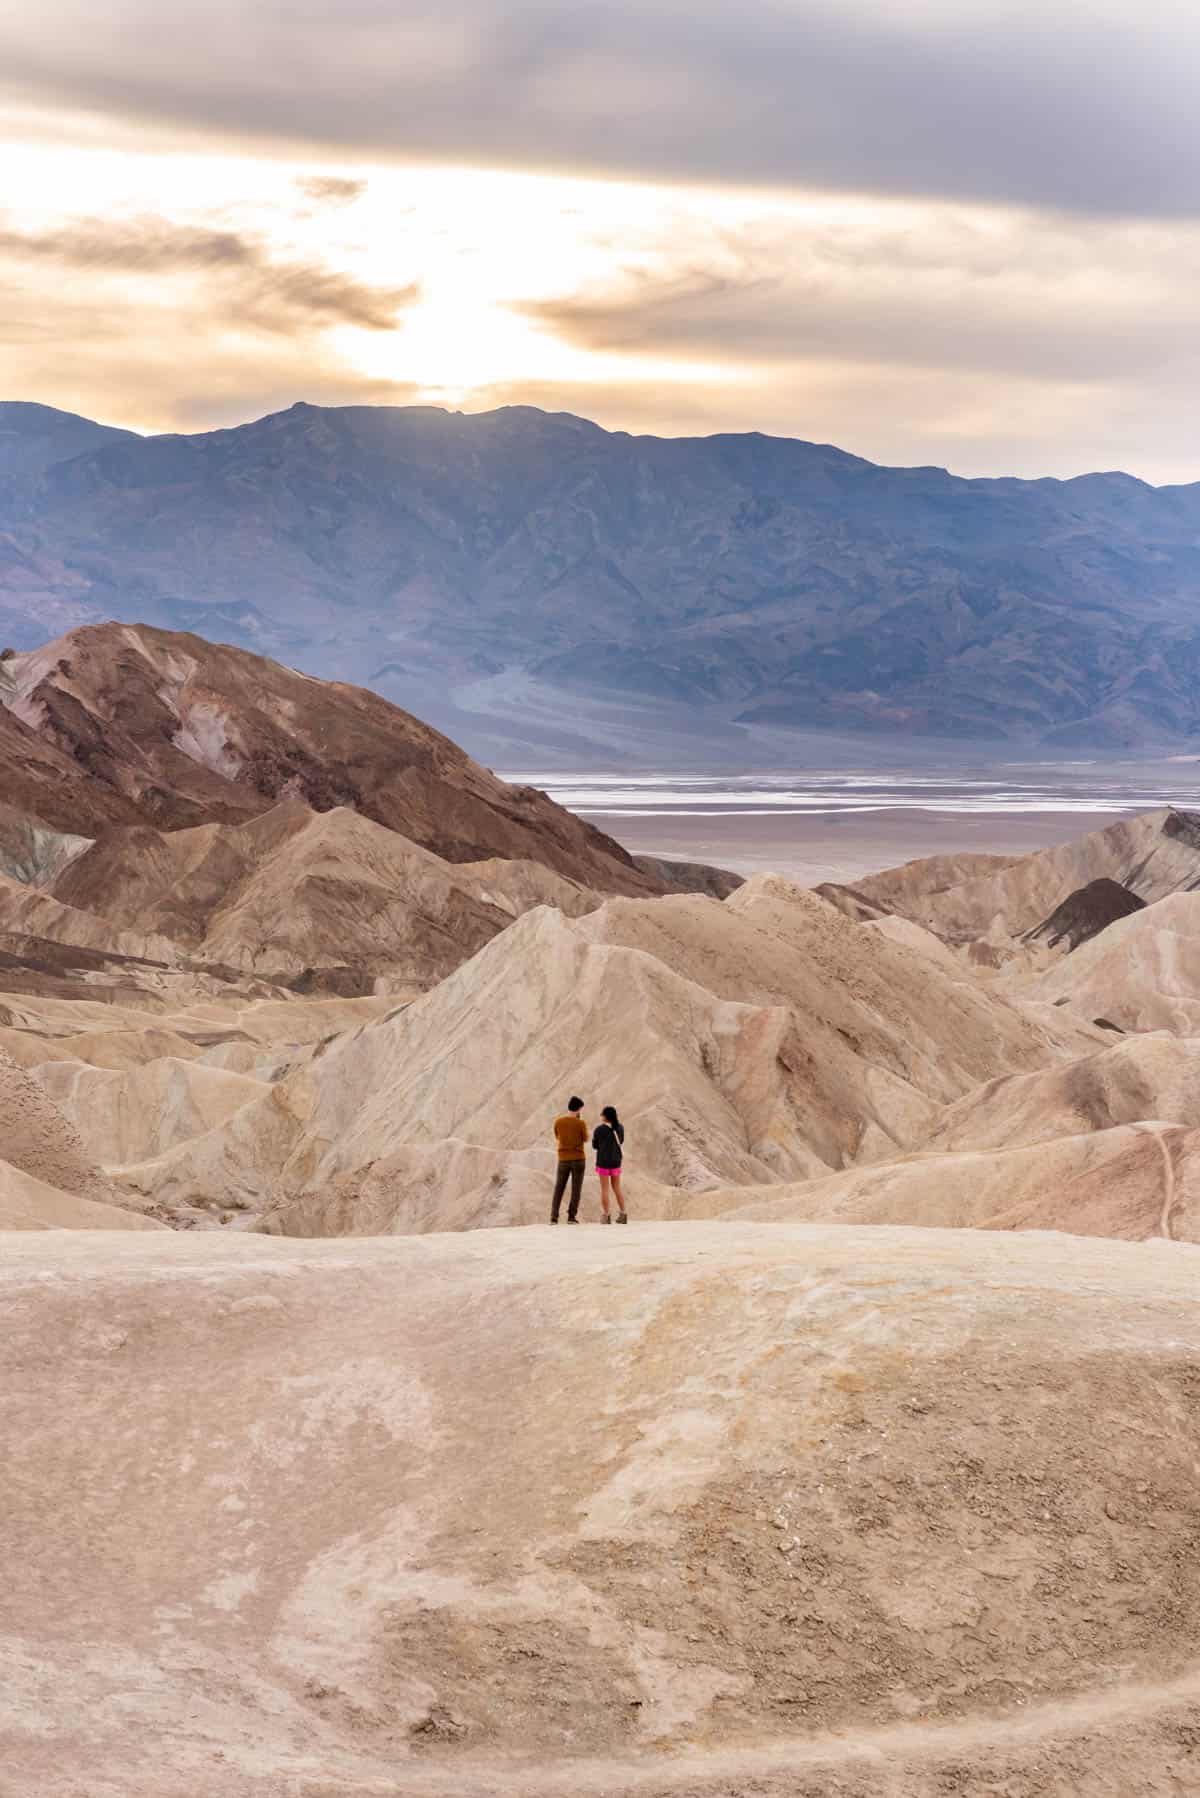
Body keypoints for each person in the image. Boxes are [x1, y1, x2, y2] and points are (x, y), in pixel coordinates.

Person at [551, 1095, 588, 1224]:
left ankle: (554, 1217)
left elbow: (557, 1136)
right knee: (576, 1189)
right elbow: (586, 1138)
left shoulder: (558, 1122)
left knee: (559, 1187)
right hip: (578, 1159)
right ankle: (571, 1217)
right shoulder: (580, 1123)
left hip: (563, 1159)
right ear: (578, 1109)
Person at [592, 1105, 627, 1223]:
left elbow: (595, 1146)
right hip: (616, 1161)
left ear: (605, 1116)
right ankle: (623, 1214)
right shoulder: (620, 1127)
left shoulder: (599, 1130)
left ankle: (606, 1216)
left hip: (603, 1162)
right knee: (617, 1188)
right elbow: (621, 1141)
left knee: (605, 1189)